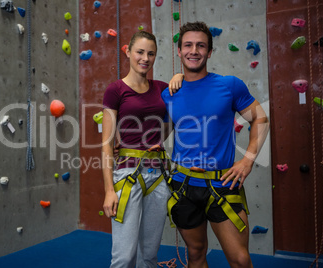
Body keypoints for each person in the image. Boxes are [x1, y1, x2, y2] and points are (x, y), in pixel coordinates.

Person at [161, 21, 269, 268]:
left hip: (222, 184)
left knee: (240, 260)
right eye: (187, 45)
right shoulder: (170, 93)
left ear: (209, 52)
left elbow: (260, 118)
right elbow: (159, 134)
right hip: (183, 186)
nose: (194, 50)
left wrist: (248, 160)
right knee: (196, 254)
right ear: (179, 51)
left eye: (201, 45)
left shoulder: (229, 85)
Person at [101, 31, 183, 267]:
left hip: (158, 175)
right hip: (127, 176)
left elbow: (171, 121)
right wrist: (109, 190)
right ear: (128, 52)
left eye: (151, 53)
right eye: (140, 52)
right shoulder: (115, 90)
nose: (145, 58)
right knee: (124, 256)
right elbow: (107, 144)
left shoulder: (162, 88)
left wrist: (179, 77)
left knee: (149, 255)